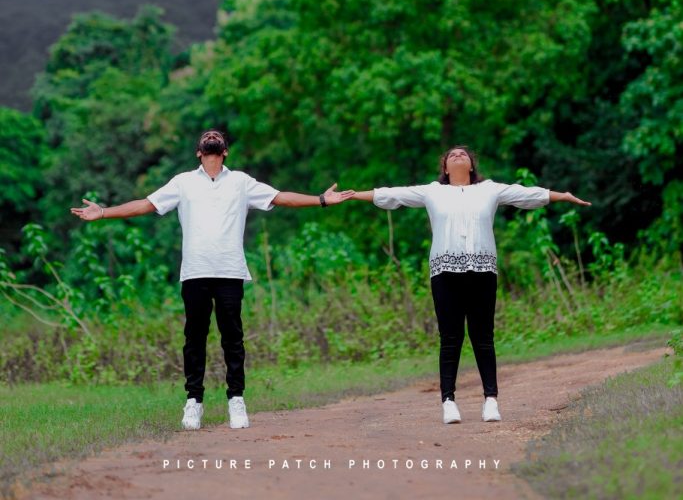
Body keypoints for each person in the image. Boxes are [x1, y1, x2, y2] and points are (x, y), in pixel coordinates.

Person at [71, 128, 352, 431]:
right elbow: (145, 204)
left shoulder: (241, 182)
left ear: (224, 151)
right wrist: (103, 213)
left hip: (230, 271)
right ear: (199, 152)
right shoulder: (183, 182)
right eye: (207, 136)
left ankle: (236, 400)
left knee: (232, 338)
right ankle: (194, 402)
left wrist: (321, 199)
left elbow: (281, 197)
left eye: (216, 136)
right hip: (195, 272)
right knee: (195, 338)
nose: (211, 137)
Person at [350, 145, 590, 425]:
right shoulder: (432, 191)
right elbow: (392, 194)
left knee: (483, 336)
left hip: (482, 269)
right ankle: (448, 402)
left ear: (472, 165)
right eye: (452, 154)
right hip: (444, 271)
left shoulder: (490, 189)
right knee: (450, 338)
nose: (458, 155)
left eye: (463, 153)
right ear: (445, 168)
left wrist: (561, 196)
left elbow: (525, 194)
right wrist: (355, 195)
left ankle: (491, 400)